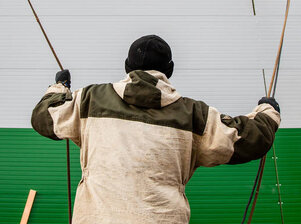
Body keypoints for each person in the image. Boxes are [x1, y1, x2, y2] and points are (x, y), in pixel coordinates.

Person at [31, 34, 280, 224]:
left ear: (127, 66)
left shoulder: (89, 100)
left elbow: (44, 116)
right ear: (169, 71)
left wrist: (60, 87)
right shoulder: (195, 116)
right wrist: (267, 111)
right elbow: (249, 139)